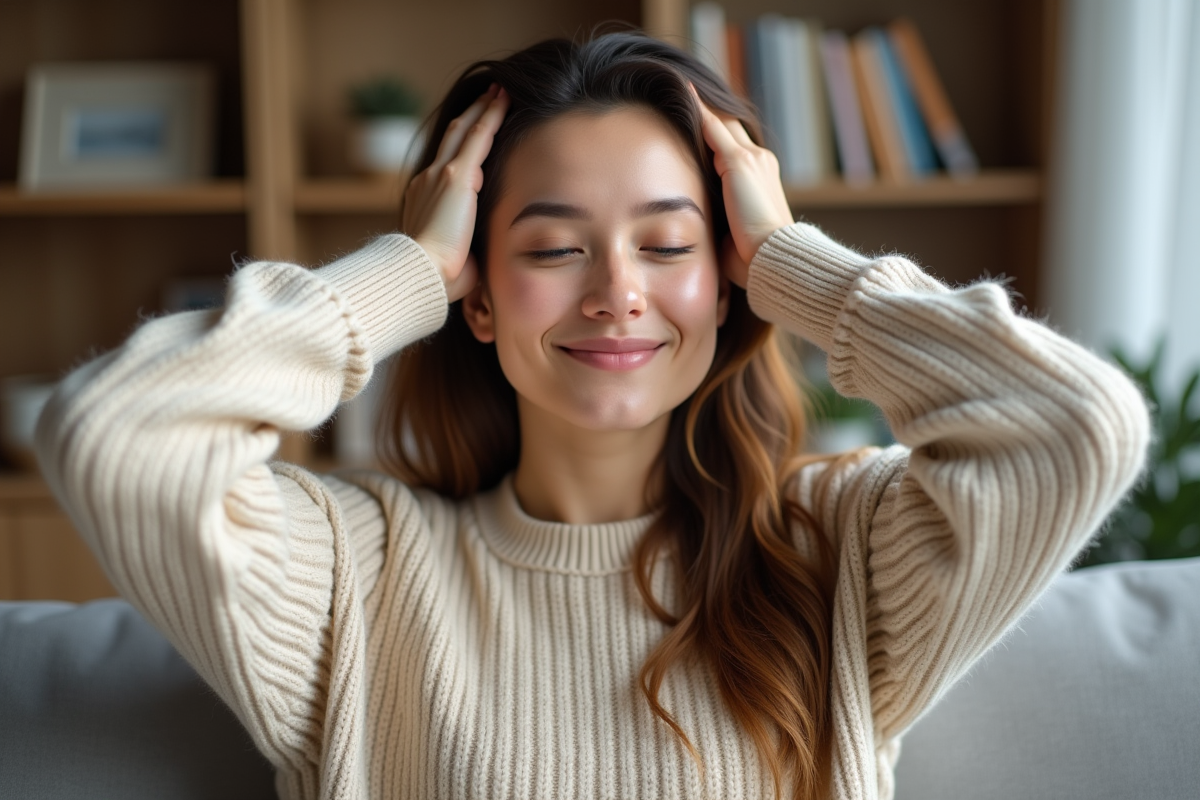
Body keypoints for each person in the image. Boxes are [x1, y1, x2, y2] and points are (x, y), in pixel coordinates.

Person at [35, 31, 1148, 800]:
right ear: (476, 290)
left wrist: (795, 265)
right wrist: (407, 268)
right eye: (553, 247)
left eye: (669, 245)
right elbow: (118, 436)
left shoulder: (832, 549)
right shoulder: (355, 573)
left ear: (727, 283)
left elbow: (1075, 426)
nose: (617, 289)